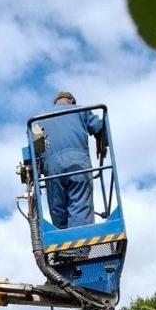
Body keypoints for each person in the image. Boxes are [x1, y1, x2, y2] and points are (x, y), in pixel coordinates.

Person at [41, 91, 105, 230]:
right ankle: (80, 246)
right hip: (78, 163)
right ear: (71, 100)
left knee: (58, 209)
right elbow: (99, 127)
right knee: (80, 204)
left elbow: (36, 151)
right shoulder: (81, 110)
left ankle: (63, 243)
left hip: (52, 169)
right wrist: (102, 145)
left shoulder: (39, 120)